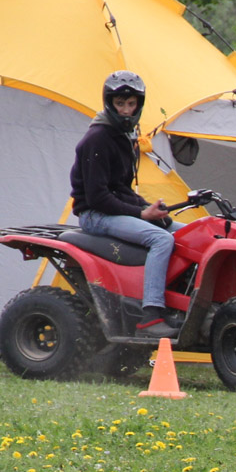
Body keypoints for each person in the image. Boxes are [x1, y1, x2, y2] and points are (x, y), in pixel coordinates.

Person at [70, 70, 184, 339]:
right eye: (120, 104)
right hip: (94, 214)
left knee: (184, 233)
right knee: (161, 240)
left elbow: (120, 189)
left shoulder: (122, 137)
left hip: (112, 209)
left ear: (139, 105)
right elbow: (98, 197)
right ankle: (151, 315)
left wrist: (152, 212)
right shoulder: (97, 138)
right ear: (109, 103)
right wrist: (141, 213)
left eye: (131, 104)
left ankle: (179, 304)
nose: (126, 111)